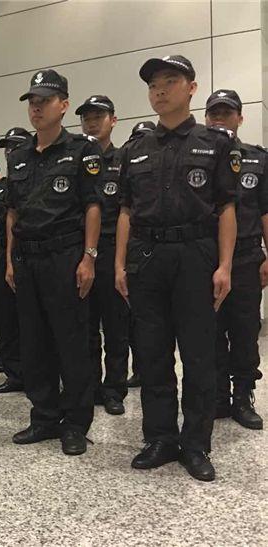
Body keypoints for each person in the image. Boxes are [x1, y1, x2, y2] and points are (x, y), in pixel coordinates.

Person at [115, 55, 239, 481]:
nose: (160, 90)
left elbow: (226, 208)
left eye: (170, 81)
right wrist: (119, 264)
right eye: (154, 85)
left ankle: (196, 444)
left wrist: (225, 265)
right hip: (147, 257)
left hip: (195, 256)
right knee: (152, 353)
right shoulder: (135, 149)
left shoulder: (215, 143)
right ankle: (160, 438)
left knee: (199, 354)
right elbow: (126, 211)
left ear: (191, 88)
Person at [5, 69, 102, 456]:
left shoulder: (81, 150)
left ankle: (75, 423)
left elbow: (93, 206)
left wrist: (89, 258)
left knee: (71, 342)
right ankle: (43, 416)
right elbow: (12, 212)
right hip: (27, 258)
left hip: (65, 256)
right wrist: (10, 259)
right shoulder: (18, 156)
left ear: (63, 105)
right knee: (34, 343)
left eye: (44, 101)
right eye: (32, 101)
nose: (36, 108)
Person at [204, 89, 264, 430]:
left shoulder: (257, 159)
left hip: (246, 257)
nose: (219, 119)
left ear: (240, 118)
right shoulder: (197, 158)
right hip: (205, 256)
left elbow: (265, 211)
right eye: (213, 113)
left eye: (226, 113)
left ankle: (242, 396)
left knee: (244, 330)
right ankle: (219, 397)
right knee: (208, 330)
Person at [77, 95, 130, 416]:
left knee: (115, 325)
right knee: (84, 325)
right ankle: (91, 386)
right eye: (87, 118)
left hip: (111, 249)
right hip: (80, 251)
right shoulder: (76, 158)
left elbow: (130, 211)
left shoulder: (124, 159)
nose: (92, 123)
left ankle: (114, 389)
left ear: (113, 120)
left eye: (99, 116)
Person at [0, 128, 32, 393]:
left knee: (31, 320)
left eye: (14, 147)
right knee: (5, 319)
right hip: (5, 255)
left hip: (29, 253)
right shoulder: (2, 188)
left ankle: (36, 373)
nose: (9, 152)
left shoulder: (34, 178)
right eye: (7, 148)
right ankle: (14, 373)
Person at [120, 121, 157, 389]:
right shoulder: (129, 164)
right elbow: (125, 210)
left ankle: (148, 371)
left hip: (159, 251)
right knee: (134, 321)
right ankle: (138, 371)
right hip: (133, 251)